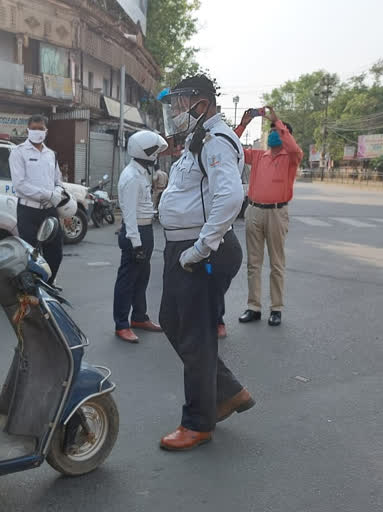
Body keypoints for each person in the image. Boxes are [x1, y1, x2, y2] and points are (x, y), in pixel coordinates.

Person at [157, 74, 255, 451]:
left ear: (200, 103)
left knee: (196, 336)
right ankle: (228, 391)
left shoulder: (216, 141)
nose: (177, 113)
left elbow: (230, 198)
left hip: (199, 252)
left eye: (180, 105)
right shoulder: (197, 140)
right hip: (182, 249)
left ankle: (198, 422)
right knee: (171, 321)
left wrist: (200, 249)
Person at [235, 108, 302, 327]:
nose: (272, 133)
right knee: (253, 263)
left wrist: (278, 122)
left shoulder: (291, 158)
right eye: (271, 130)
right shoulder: (258, 156)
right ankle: (253, 307)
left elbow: (293, 148)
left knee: (276, 263)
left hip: (276, 212)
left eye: (277, 131)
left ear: (285, 135)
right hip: (254, 210)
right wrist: (243, 124)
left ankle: (276, 308)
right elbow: (231, 147)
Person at [113, 131, 168, 343]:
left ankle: (139, 317)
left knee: (141, 278)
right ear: (146, 152)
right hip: (135, 233)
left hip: (145, 230)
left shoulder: (142, 172)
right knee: (127, 281)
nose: (158, 154)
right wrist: (136, 244)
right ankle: (121, 324)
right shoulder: (132, 177)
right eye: (155, 151)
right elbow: (129, 215)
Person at [9, 114, 65, 283]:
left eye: (41, 129)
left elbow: (58, 180)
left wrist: (57, 191)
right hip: (28, 211)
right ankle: (32, 289)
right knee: (29, 253)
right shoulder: (18, 152)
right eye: (34, 128)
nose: (37, 132)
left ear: (46, 131)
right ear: (28, 129)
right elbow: (20, 185)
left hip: (49, 210)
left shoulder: (51, 154)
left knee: (55, 252)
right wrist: (48, 194)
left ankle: (48, 283)